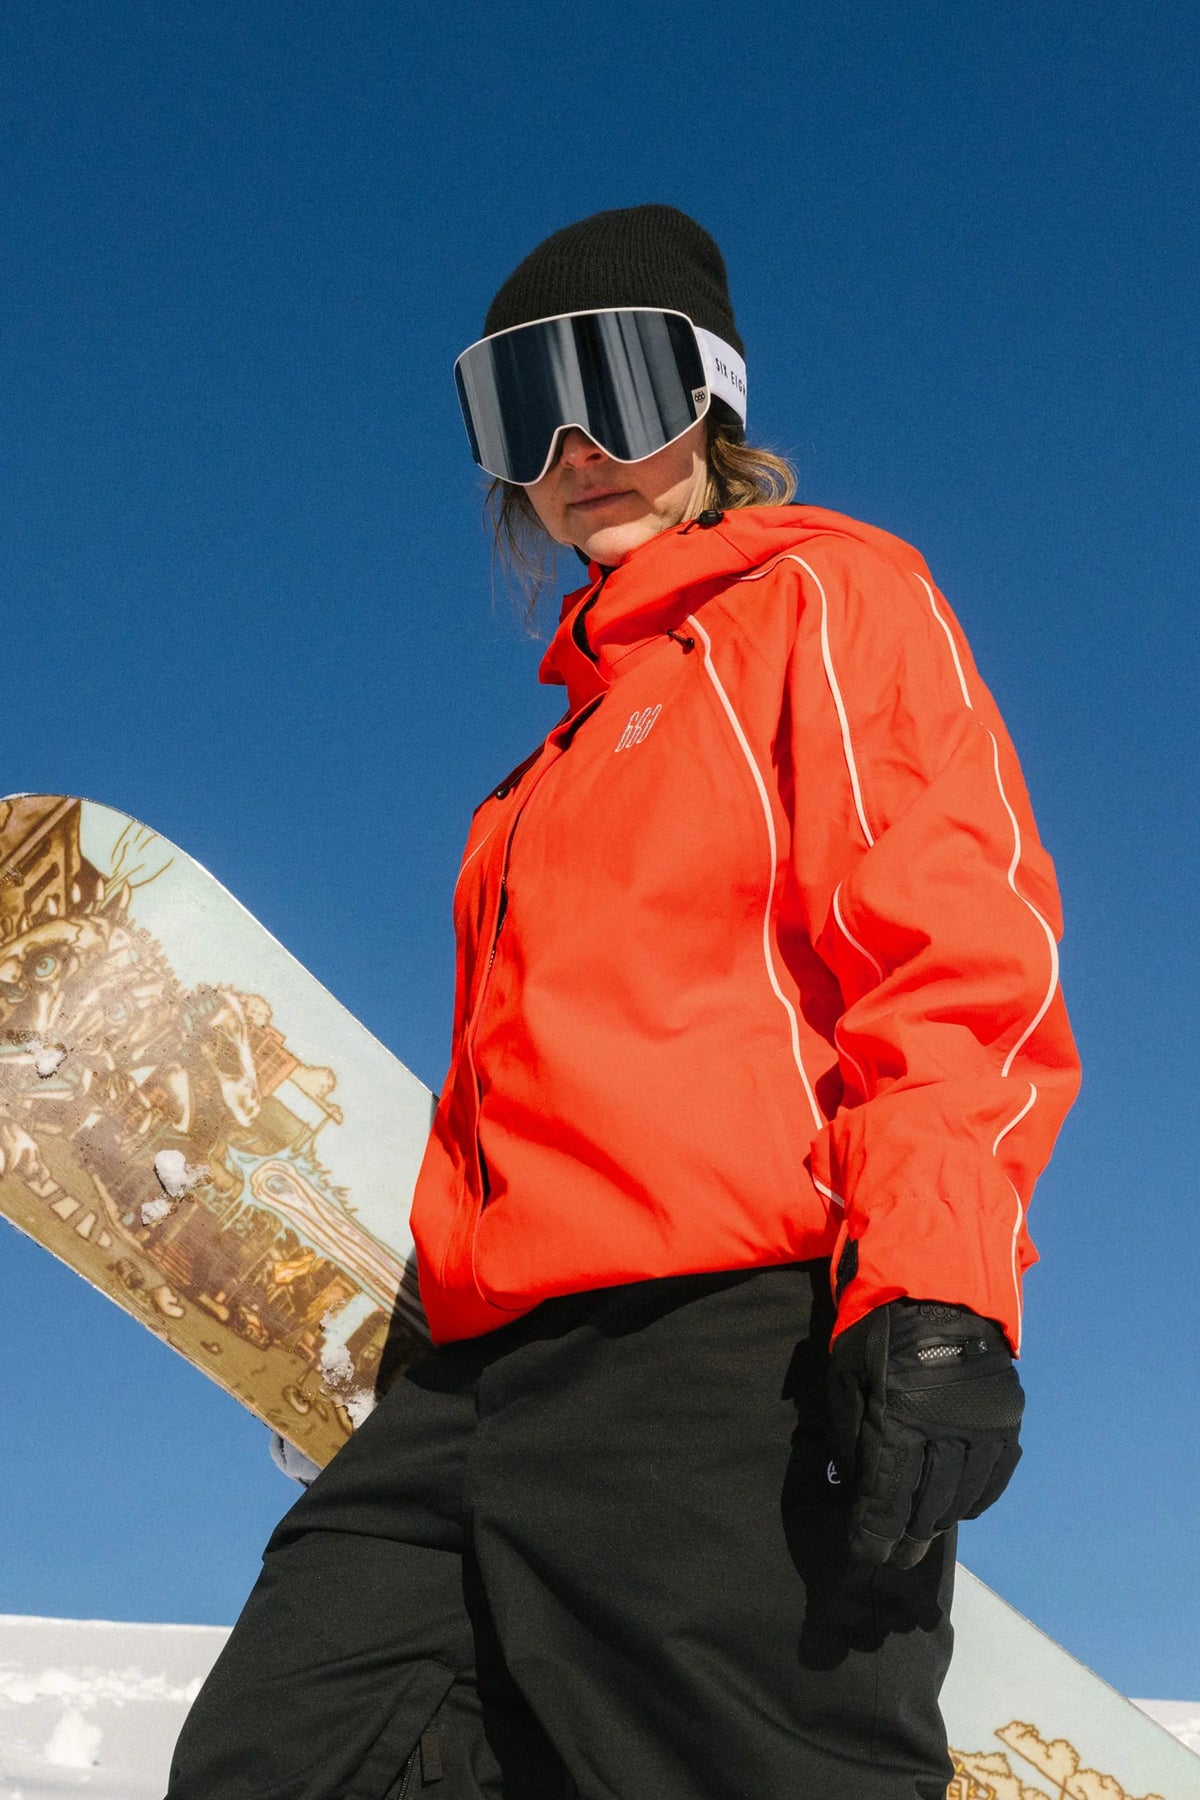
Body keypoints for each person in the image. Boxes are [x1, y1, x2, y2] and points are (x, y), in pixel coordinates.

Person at [166, 205, 1080, 1800]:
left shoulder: (825, 603)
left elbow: (953, 950)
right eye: (524, 410)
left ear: (711, 400)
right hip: (474, 1393)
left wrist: (938, 1289)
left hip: (721, 1362)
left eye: (618, 387)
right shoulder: (531, 788)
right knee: (278, 1756)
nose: (575, 450)